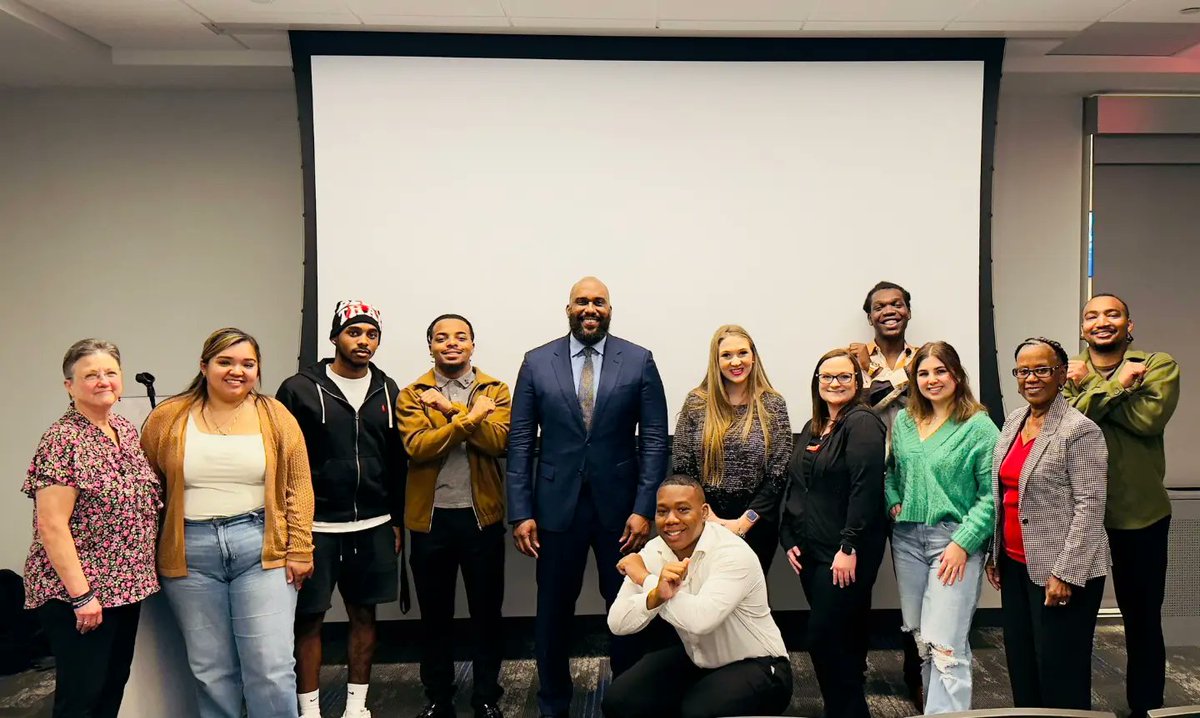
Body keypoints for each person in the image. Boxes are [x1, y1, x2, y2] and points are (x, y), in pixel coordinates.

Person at [507, 276, 670, 718]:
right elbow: (520, 440)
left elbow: (654, 439)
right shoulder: (537, 362)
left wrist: (644, 508)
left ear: (610, 309)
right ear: (569, 308)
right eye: (582, 301)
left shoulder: (638, 360)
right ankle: (553, 703)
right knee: (552, 613)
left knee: (629, 608)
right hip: (555, 510)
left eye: (599, 301)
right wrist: (519, 511)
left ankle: (627, 700)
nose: (590, 308)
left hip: (622, 514)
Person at [141, 327, 315, 718]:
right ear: (204, 367)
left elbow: (299, 484)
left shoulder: (275, 415)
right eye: (225, 362)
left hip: (261, 547)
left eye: (247, 364)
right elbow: (148, 485)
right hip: (190, 553)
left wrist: (301, 547)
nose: (237, 371)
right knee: (211, 671)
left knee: (270, 667)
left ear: (257, 370)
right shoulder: (168, 417)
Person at [275, 301, 407, 718]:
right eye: (354, 333)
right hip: (315, 525)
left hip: (373, 523)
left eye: (371, 335)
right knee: (309, 619)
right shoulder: (297, 388)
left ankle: (357, 708)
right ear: (334, 338)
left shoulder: (388, 389)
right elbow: (280, 460)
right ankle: (309, 710)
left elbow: (397, 460)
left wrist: (397, 518)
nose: (363, 341)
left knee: (364, 614)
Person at [22, 339, 161, 718]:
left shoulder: (124, 429)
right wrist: (82, 596)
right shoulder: (62, 440)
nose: (103, 381)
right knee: (81, 698)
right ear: (70, 385)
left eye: (110, 372)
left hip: (124, 588)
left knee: (111, 687)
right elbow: (52, 526)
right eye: (91, 375)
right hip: (78, 594)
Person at [1063, 293, 1180, 718]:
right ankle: (1072, 708)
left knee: (1142, 619)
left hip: (1140, 512)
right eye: (1092, 315)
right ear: (1082, 328)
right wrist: (1118, 388)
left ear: (1129, 325)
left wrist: (1089, 393)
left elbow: (1149, 420)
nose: (1102, 321)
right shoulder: (1067, 369)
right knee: (1072, 621)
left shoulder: (1157, 365)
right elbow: (1066, 423)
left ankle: (1146, 708)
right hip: (1078, 517)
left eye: (1112, 314)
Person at [602, 475, 792, 718]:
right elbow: (617, 623)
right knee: (620, 700)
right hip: (699, 658)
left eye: (682, 509)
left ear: (703, 512)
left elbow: (701, 621)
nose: (671, 520)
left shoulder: (732, 552)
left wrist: (645, 579)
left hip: (761, 665)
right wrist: (655, 595)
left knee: (697, 711)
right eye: (662, 511)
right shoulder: (654, 550)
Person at [396, 314, 511, 718]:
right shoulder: (413, 394)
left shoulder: (495, 389)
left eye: (460, 337)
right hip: (430, 522)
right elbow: (420, 448)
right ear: (429, 345)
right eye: (441, 338)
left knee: (486, 614)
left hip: (481, 519)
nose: (451, 343)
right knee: (435, 617)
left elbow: (499, 442)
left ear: (472, 345)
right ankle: (438, 698)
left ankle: (485, 697)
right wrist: (468, 415)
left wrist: (448, 410)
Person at [986, 337, 1110, 710]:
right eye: (1024, 371)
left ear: (1061, 375)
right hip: (1016, 565)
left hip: (1062, 571)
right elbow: (1005, 495)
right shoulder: (1013, 421)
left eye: (1042, 369)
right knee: (1022, 665)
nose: (1032, 378)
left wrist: (1067, 574)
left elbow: (1091, 507)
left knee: (1060, 672)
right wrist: (996, 554)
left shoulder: (1080, 430)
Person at [885, 341, 998, 714]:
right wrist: (892, 498)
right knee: (922, 641)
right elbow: (891, 472)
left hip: (953, 542)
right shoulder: (904, 421)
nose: (931, 380)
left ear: (957, 374)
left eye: (940, 371)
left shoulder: (979, 426)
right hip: (906, 540)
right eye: (923, 373)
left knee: (947, 645)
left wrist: (964, 542)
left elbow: (992, 494)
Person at [779, 348, 887, 718]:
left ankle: (848, 712)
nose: (835, 383)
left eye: (844, 377)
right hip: (811, 551)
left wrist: (849, 545)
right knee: (844, 637)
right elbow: (796, 484)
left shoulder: (863, 423)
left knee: (824, 638)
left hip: (845, 553)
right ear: (817, 382)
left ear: (857, 383)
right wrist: (789, 538)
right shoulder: (815, 425)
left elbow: (866, 487)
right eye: (827, 377)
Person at [848, 280, 923, 705]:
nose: (889, 311)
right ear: (870, 315)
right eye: (880, 306)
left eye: (897, 304)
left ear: (908, 312)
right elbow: (854, 404)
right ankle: (854, 671)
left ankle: (917, 673)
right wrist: (898, 383)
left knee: (915, 588)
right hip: (867, 485)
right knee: (859, 585)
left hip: (916, 485)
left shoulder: (927, 360)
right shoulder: (850, 360)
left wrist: (881, 381)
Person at [671, 325, 792, 571]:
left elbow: (778, 473)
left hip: (757, 524)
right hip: (703, 522)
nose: (735, 361)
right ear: (716, 361)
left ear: (753, 356)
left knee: (748, 600)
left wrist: (743, 523)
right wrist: (709, 518)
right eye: (726, 355)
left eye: (742, 353)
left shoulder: (773, 404)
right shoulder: (696, 403)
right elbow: (682, 467)